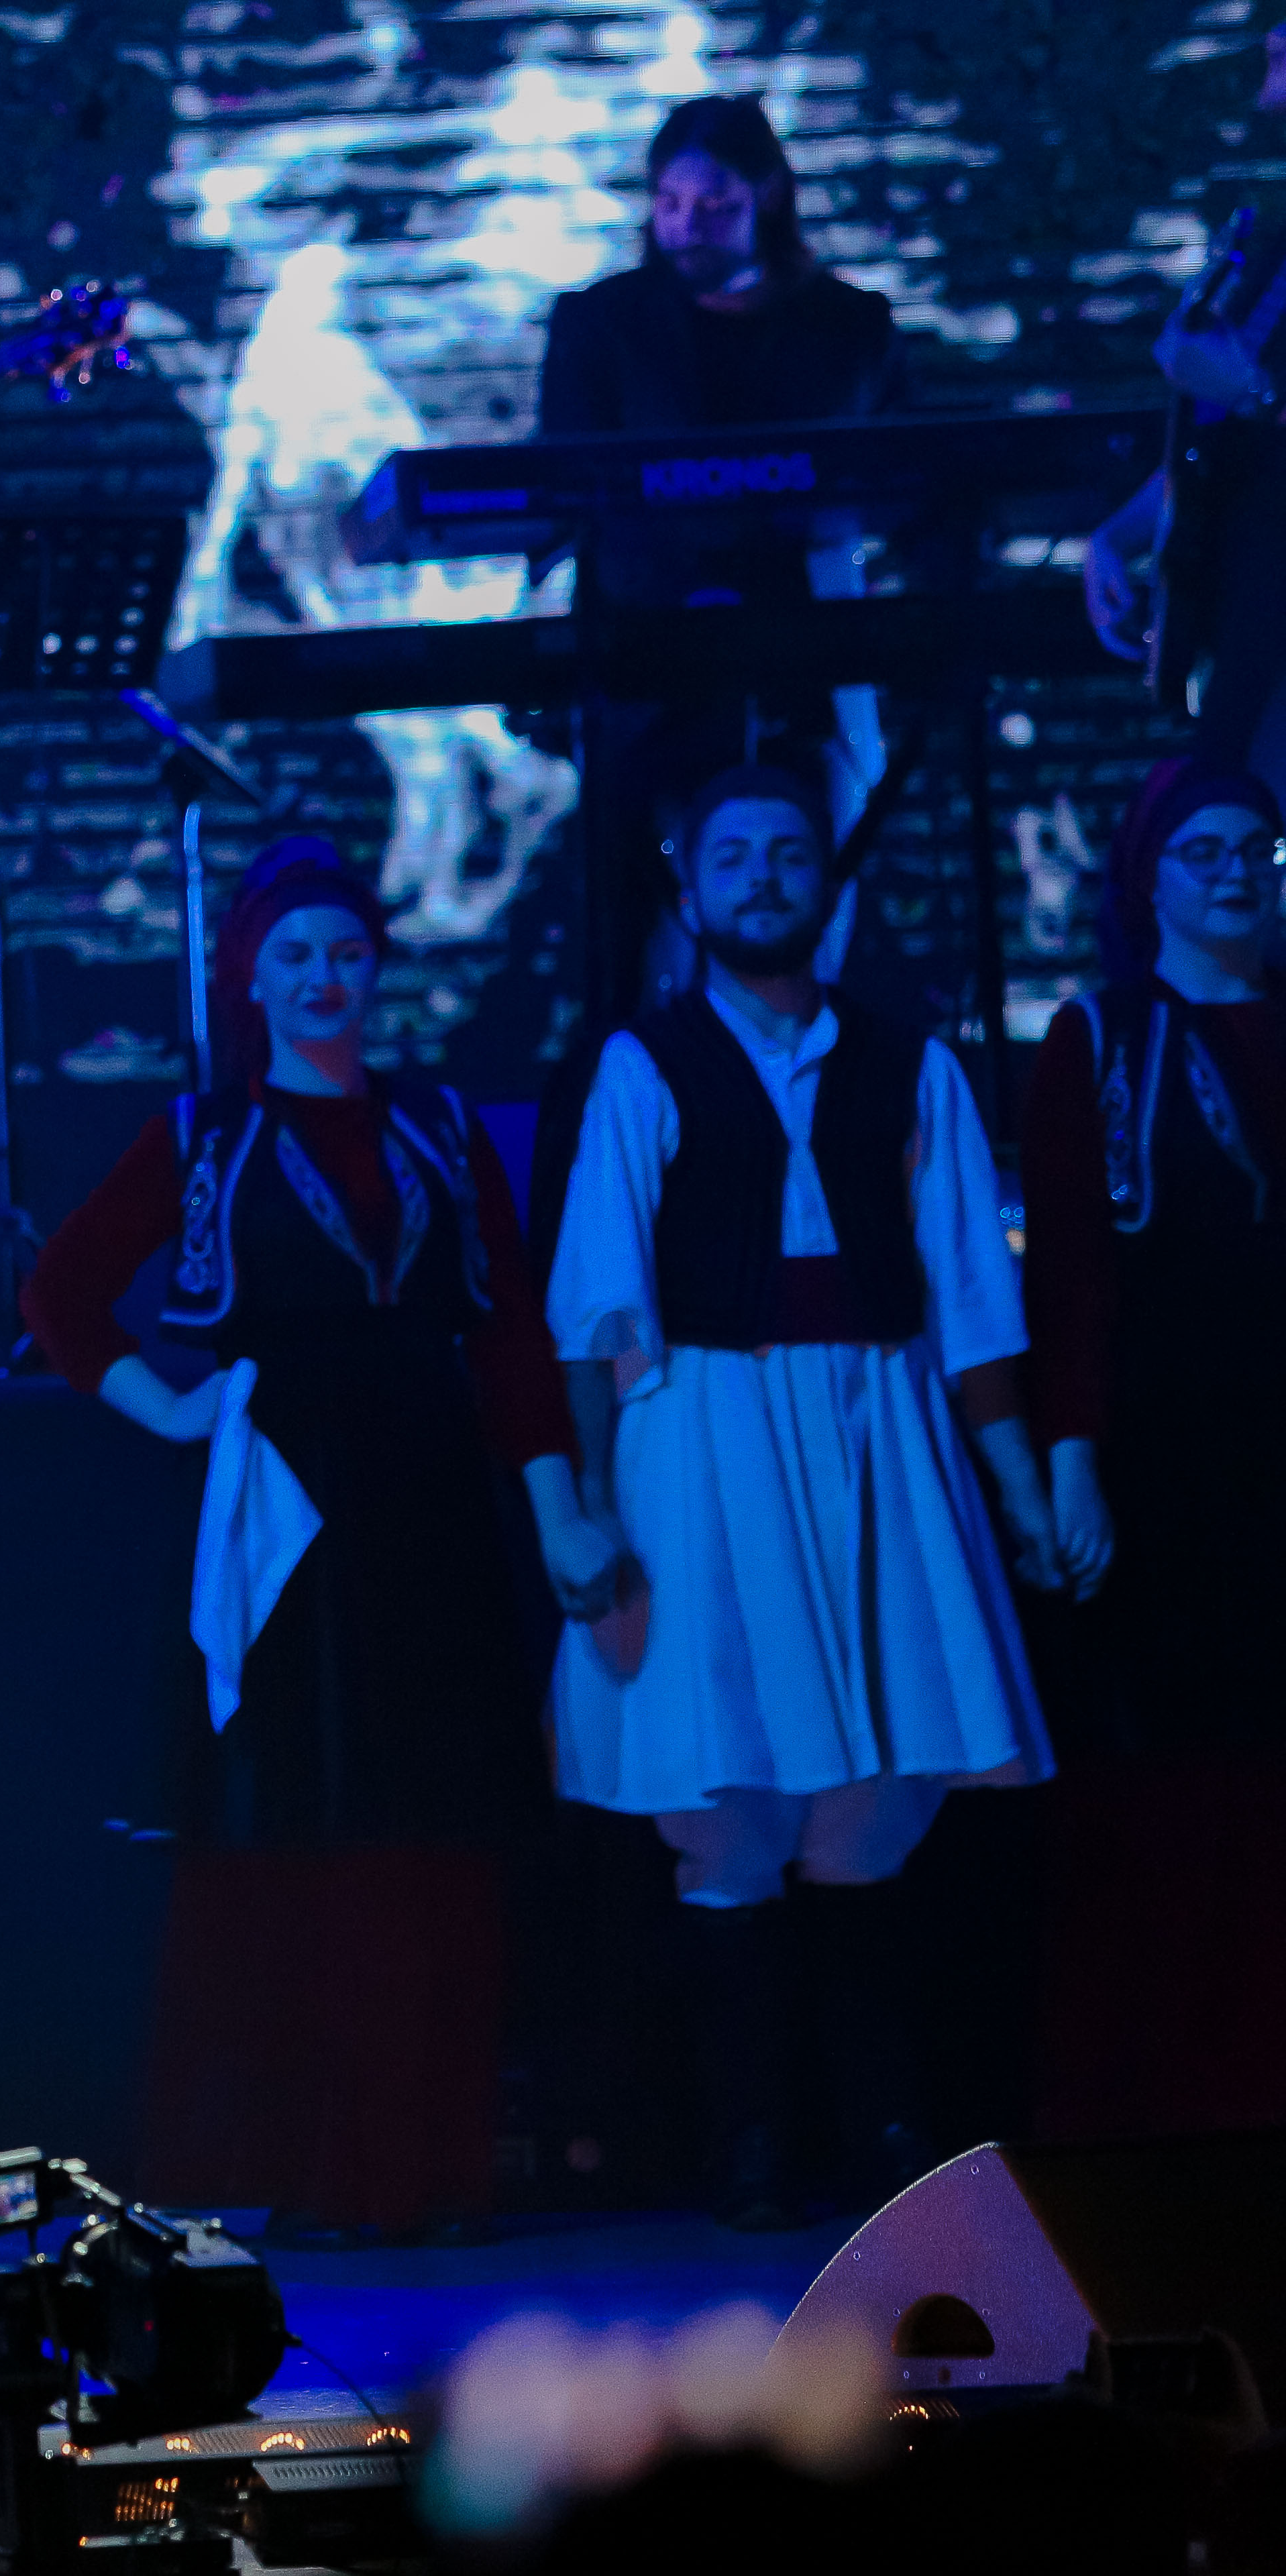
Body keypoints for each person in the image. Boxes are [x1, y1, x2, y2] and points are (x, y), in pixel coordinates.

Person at [22, 842, 600, 2242]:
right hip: (284, 1509)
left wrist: (559, 1513)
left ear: (377, 970)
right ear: (252, 977)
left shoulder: (443, 1127)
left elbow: (509, 1333)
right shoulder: (205, 1135)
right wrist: (169, 1404)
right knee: (309, 1819)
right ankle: (321, 2168)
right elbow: (62, 1292)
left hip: (432, 1496)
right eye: (295, 956)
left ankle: (436, 2166)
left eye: (346, 953)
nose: (323, 978)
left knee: (435, 1821)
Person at [546, 768, 1059, 2228]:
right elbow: (596, 1299)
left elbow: (970, 1296)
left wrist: (1019, 1485)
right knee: (731, 1766)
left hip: (876, 1416)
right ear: (691, 885)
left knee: (881, 1772)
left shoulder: (909, 1061)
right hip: (709, 1427)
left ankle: (884, 2131)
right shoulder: (645, 1063)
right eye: (736, 855)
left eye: (787, 853)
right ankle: (753, 2139)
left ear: (826, 880)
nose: (764, 876)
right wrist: (589, 1498)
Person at [1017, 755, 1286, 2140]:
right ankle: (1177, 2089)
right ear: (1150, 879)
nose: (1236, 872)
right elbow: (1071, 1269)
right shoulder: (1102, 1037)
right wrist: (1072, 1456)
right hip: (1168, 1451)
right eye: (1205, 852)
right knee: (1176, 1769)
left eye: (1255, 849)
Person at [538, 95, 915, 1018]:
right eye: (670, 204)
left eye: (714, 205)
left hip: (810, 657)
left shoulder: (849, 326)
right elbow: (561, 482)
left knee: (811, 897)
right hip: (643, 664)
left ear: (770, 195)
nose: (687, 226)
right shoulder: (604, 324)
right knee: (633, 928)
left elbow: (903, 478)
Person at [1085, 26, 1286, 792]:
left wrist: (1255, 392)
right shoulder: (1272, 241)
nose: (1272, 38)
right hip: (1250, 620)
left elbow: (1254, 403)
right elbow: (1224, 444)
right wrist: (1119, 536)